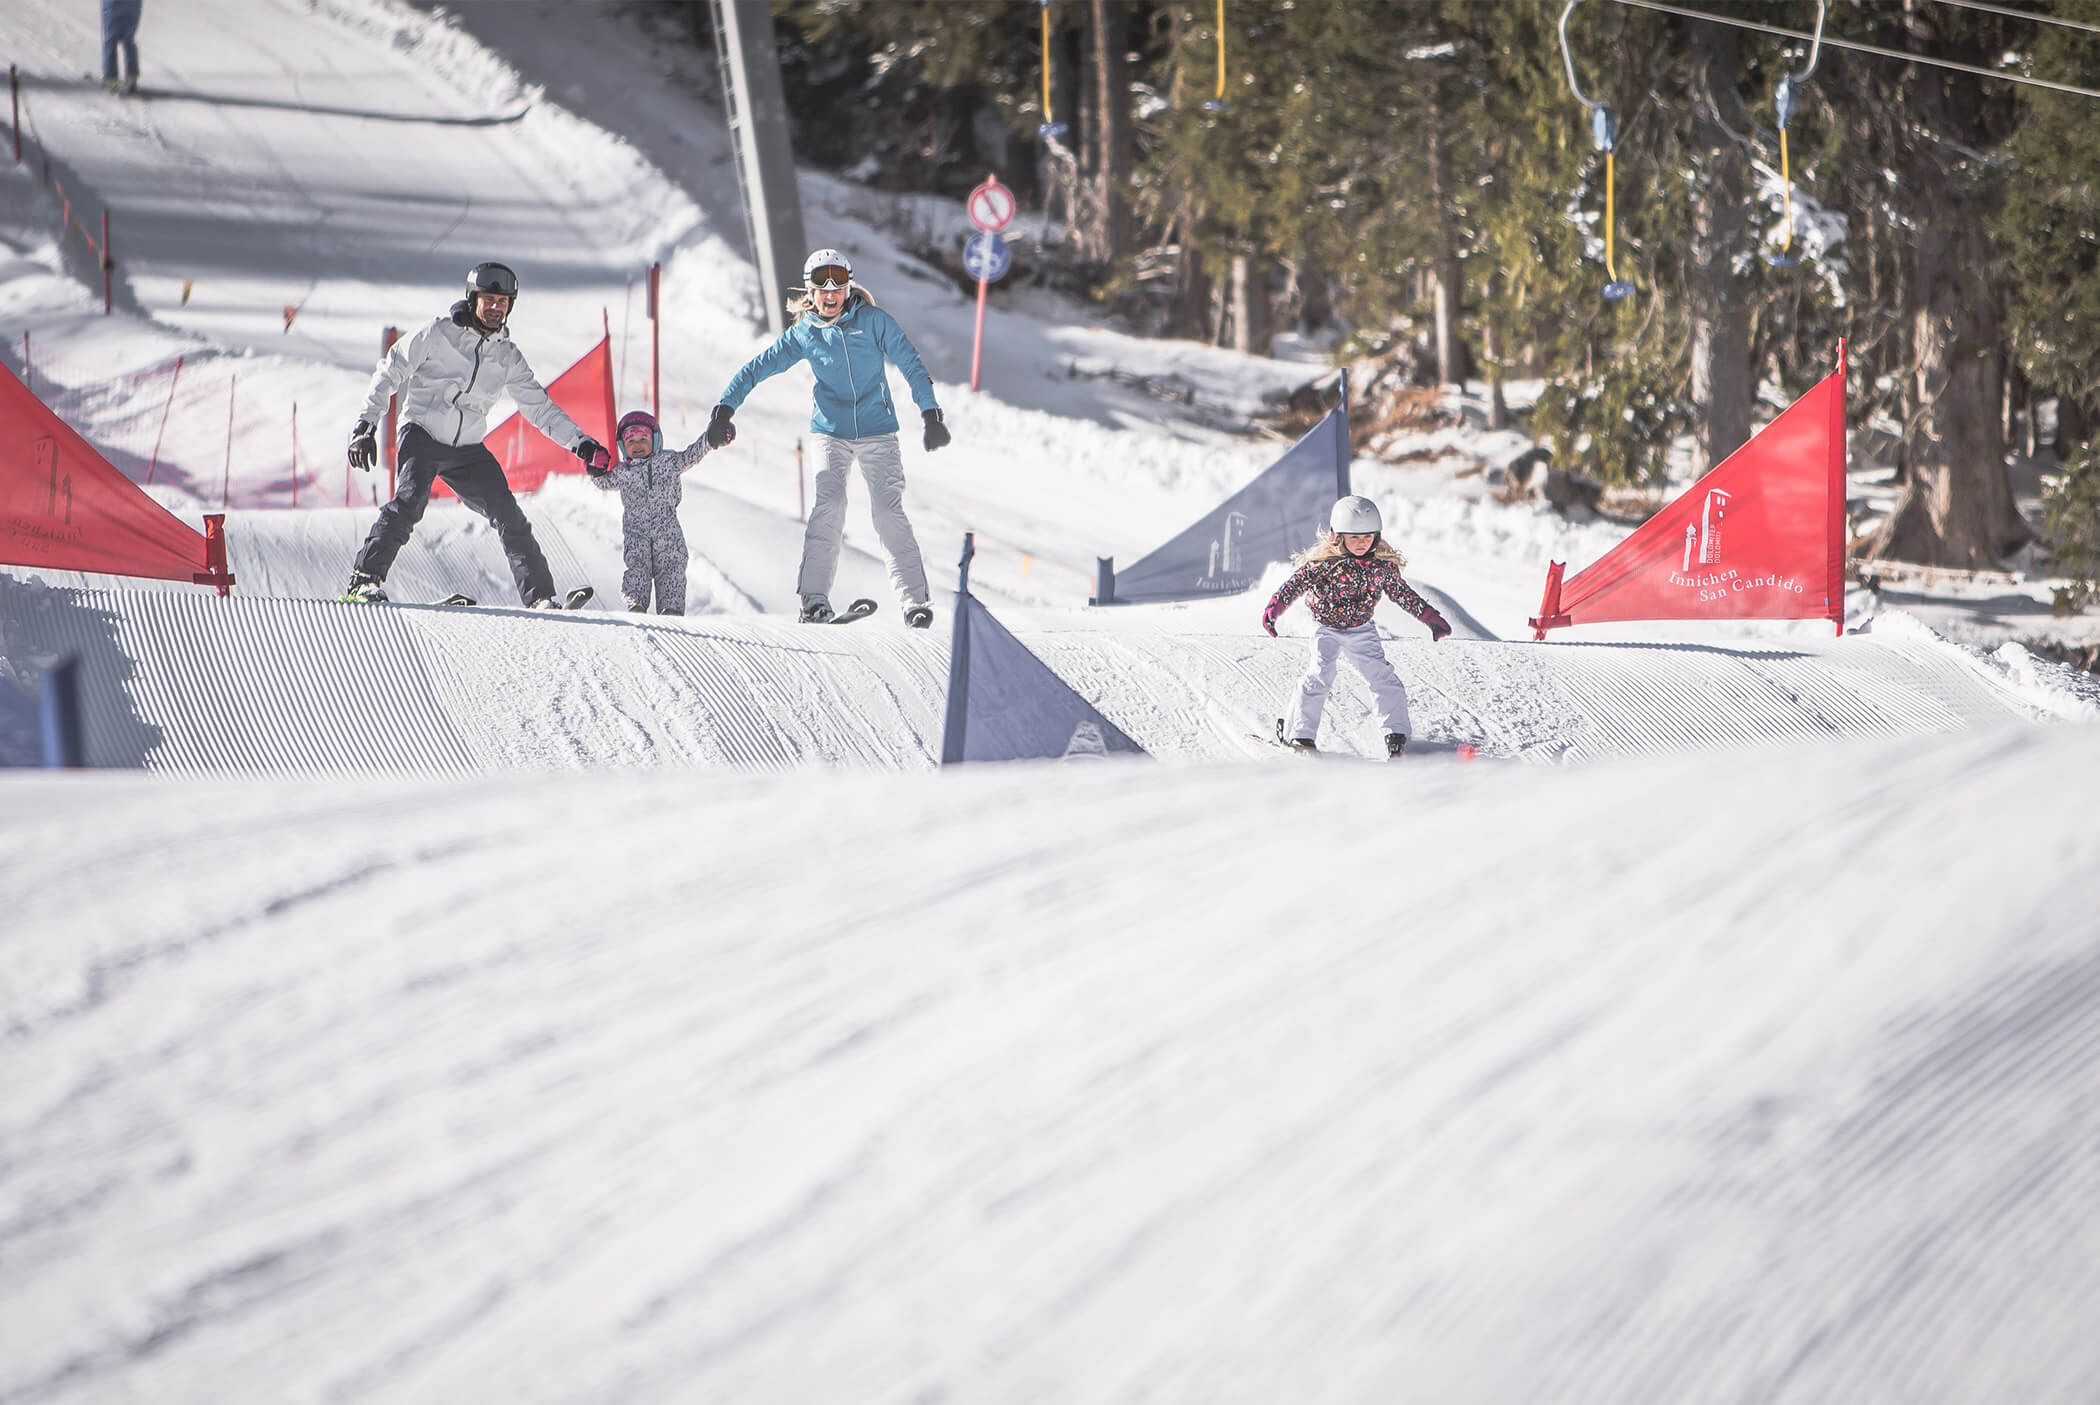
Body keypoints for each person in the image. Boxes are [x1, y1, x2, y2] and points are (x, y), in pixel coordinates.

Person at [705, 248, 950, 628]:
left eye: (839, 284)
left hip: (878, 430)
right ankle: (814, 601)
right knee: (830, 504)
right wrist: (724, 409)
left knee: (888, 511)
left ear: (849, 287)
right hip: (830, 433)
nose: (831, 292)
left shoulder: (874, 322)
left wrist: (931, 414)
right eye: (822, 285)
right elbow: (757, 368)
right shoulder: (804, 333)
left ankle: (914, 602)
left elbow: (911, 364)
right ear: (811, 291)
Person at [341, 262, 605, 608]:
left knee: (509, 514)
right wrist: (365, 426)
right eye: (488, 300)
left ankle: (540, 598)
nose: (495, 308)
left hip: (467, 449)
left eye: (503, 302)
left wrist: (581, 443)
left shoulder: (507, 355)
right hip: (423, 433)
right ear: (473, 299)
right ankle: (364, 580)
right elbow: (390, 370)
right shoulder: (438, 333)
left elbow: (539, 407)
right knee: (410, 502)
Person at [1259, 495, 1453, 758]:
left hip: (1361, 630)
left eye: (1367, 537)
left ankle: (1396, 733)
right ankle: (1299, 733)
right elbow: (1294, 585)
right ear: (1338, 537)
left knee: (1382, 676)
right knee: (1320, 673)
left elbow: (1404, 595)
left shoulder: (1381, 568)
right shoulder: (1323, 565)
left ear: (1377, 537)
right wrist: (1274, 610)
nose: (1362, 543)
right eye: (1354, 537)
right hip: (1326, 628)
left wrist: (1431, 618)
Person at [589, 408, 716, 614]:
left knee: (672, 569)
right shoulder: (623, 472)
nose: (637, 446)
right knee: (637, 568)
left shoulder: (668, 462)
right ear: (623, 446)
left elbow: (692, 455)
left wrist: (710, 438)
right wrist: (595, 470)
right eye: (631, 441)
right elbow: (603, 482)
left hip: (667, 530)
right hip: (636, 532)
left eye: (643, 439)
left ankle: (671, 609)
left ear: (655, 440)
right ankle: (636, 604)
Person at [101, 0, 142, 95]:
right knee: (129, 40)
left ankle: (110, 78)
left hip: (113, 4)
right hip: (133, 4)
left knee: (110, 40)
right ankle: (132, 77)